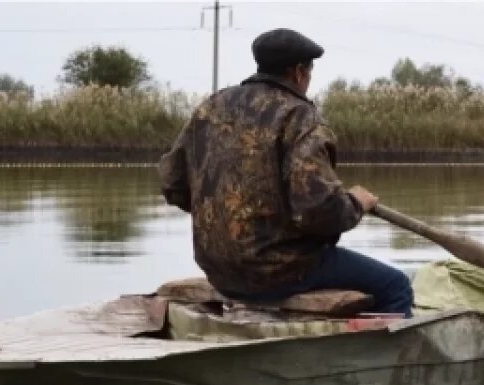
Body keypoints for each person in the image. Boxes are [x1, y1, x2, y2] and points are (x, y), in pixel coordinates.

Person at [158, 28, 414, 317]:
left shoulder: (211, 107)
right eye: (310, 72)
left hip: (219, 268)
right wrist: (356, 203)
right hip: (280, 270)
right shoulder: (299, 117)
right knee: (397, 286)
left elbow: (173, 183)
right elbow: (319, 210)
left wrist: (225, 216)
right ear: (298, 73)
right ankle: (382, 358)